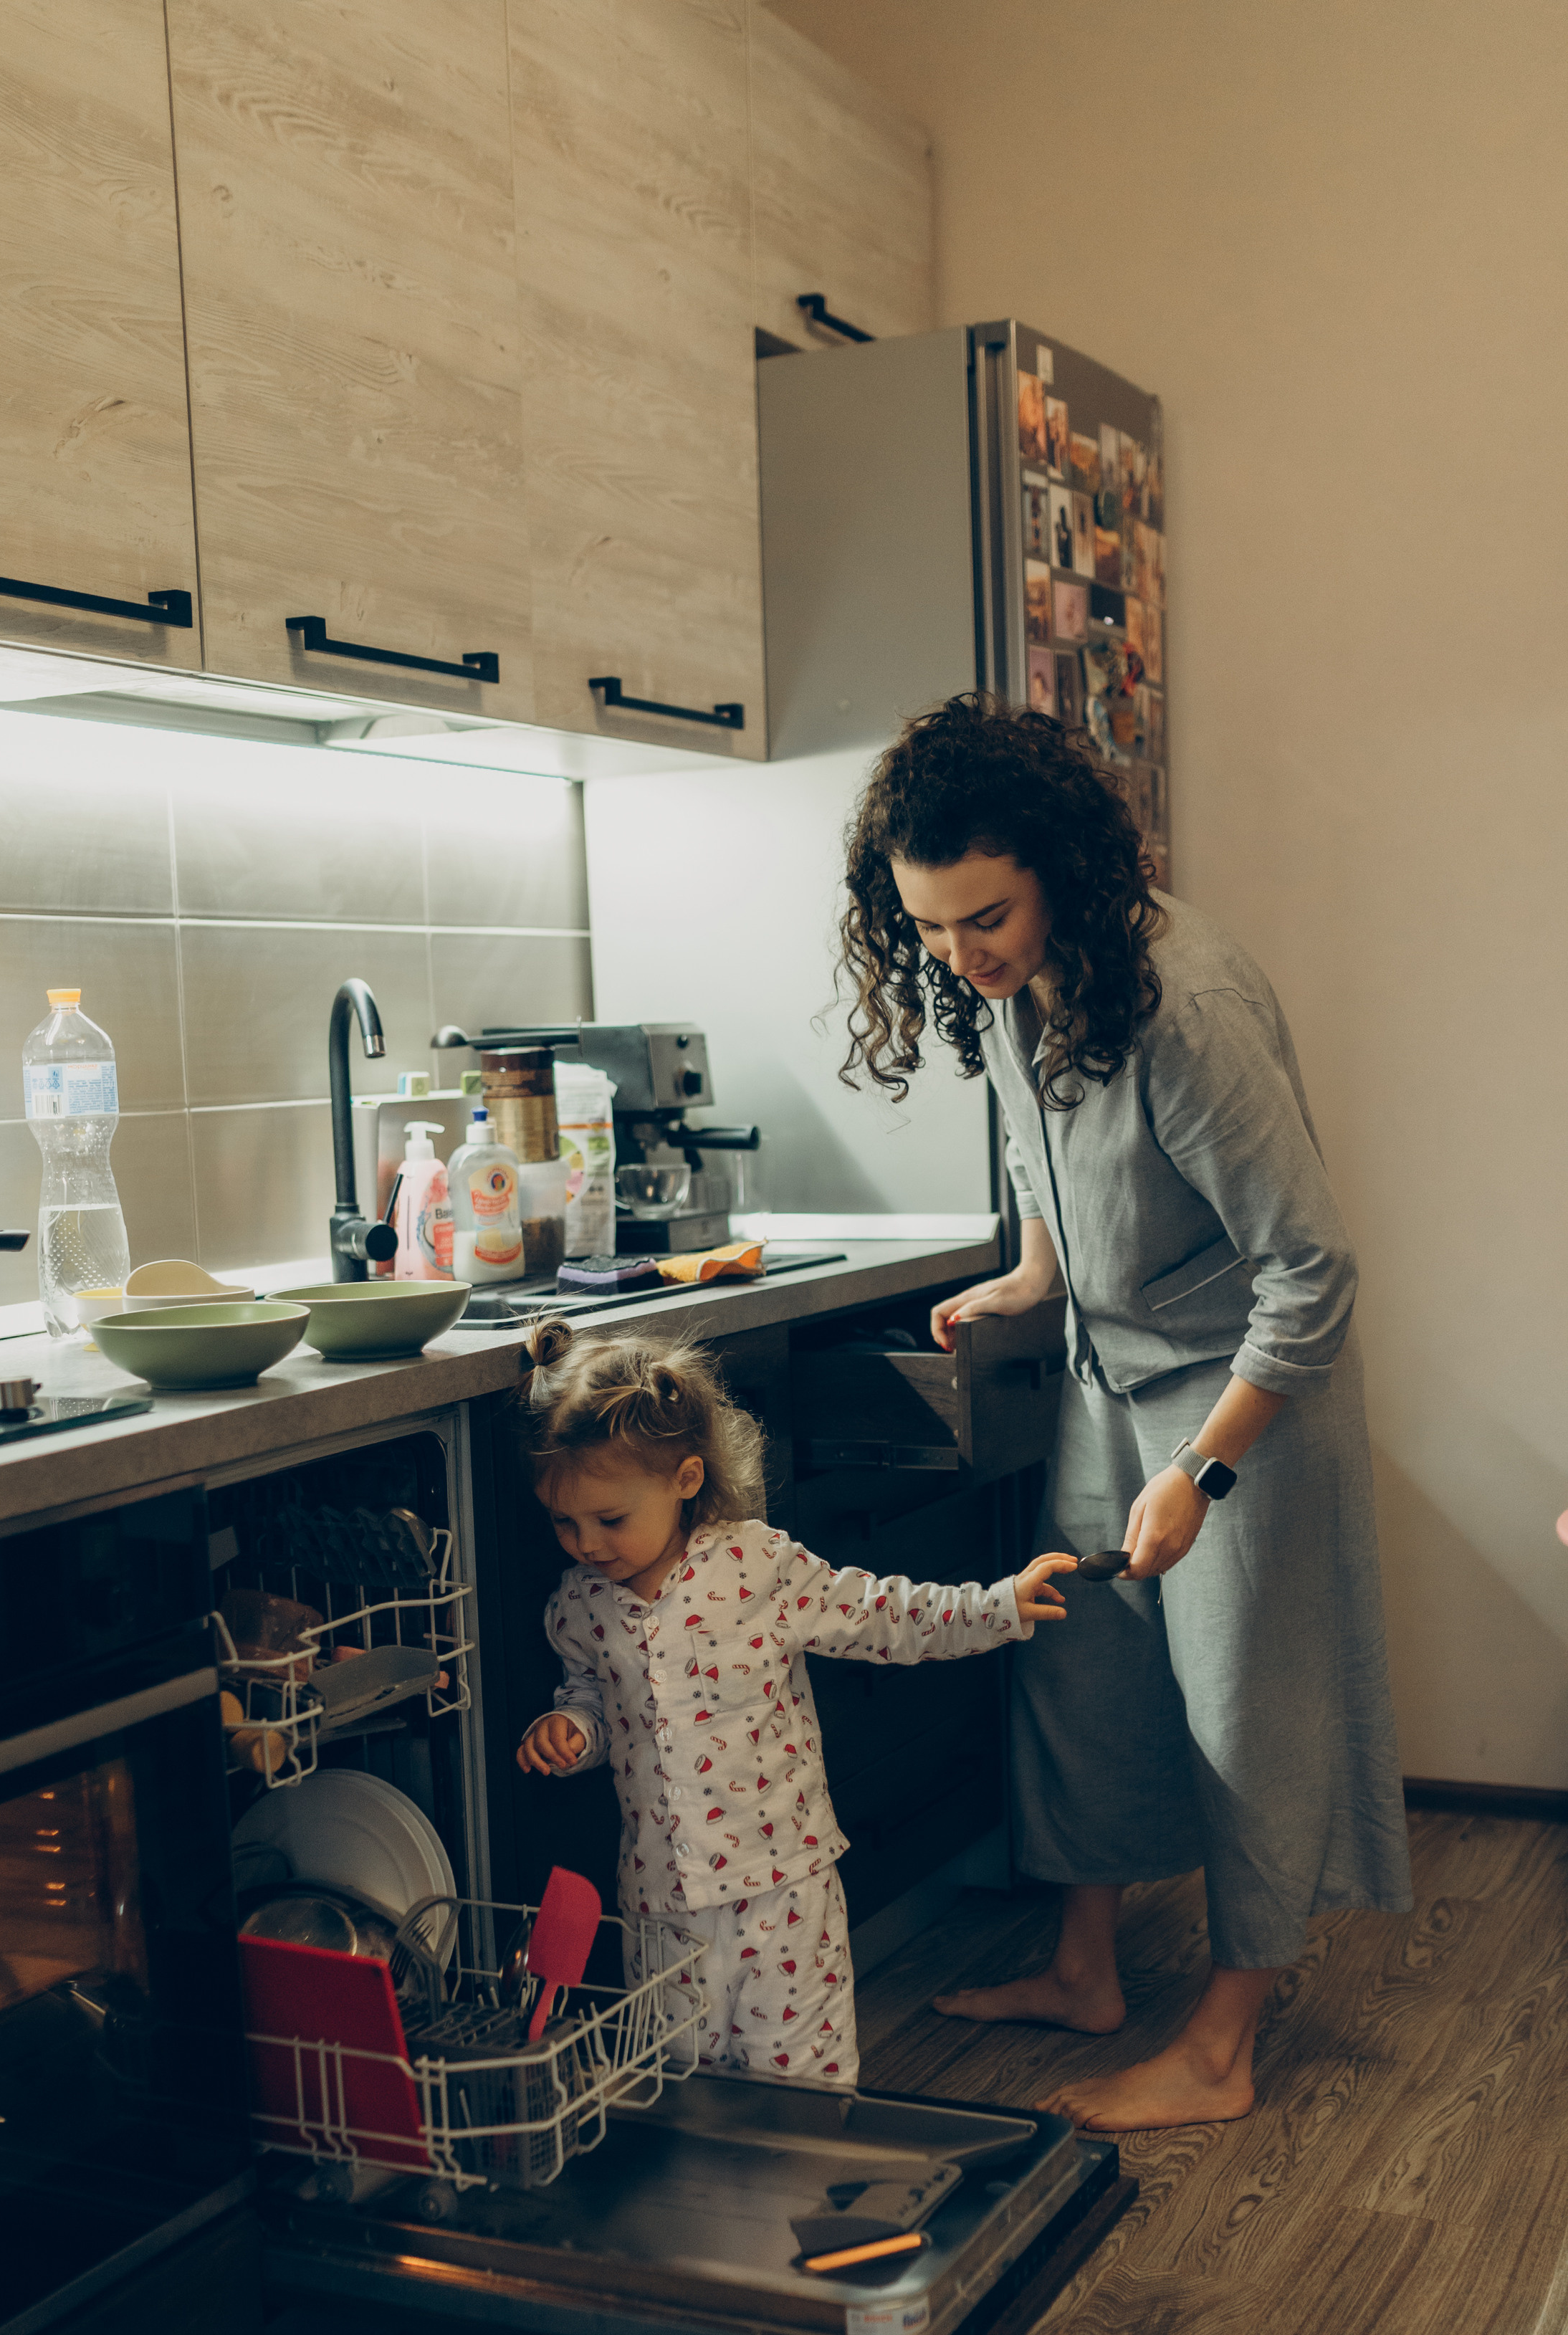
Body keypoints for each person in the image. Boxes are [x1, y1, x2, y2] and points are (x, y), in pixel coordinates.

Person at [837, 691, 1412, 2131]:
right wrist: (1033, 1281)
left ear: (1058, 870)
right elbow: (1063, 1168)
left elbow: (1311, 1272)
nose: (961, 959)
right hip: (1113, 1374)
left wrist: (1202, 1476)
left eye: (985, 918)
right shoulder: (1021, 986)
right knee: (1074, 1664)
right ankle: (1085, 1968)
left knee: (1245, 1716)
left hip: (1240, 1401)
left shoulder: (1184, 1004)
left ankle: (1222, 2044)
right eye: (928, 930)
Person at [512, 1317, 1077, 2086]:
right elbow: (592, 1699)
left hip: (781, 1887)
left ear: (684, 1479)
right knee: (682, 2082)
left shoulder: (754, 1565)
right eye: (563, 1522)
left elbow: (882, 1614)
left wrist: (996, 1605)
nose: (586, 1543)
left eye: (610, 1519)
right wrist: (570, 1728)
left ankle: (805, 2198)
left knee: (803, 2078)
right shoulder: (579, 1605)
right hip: (658, 1901)